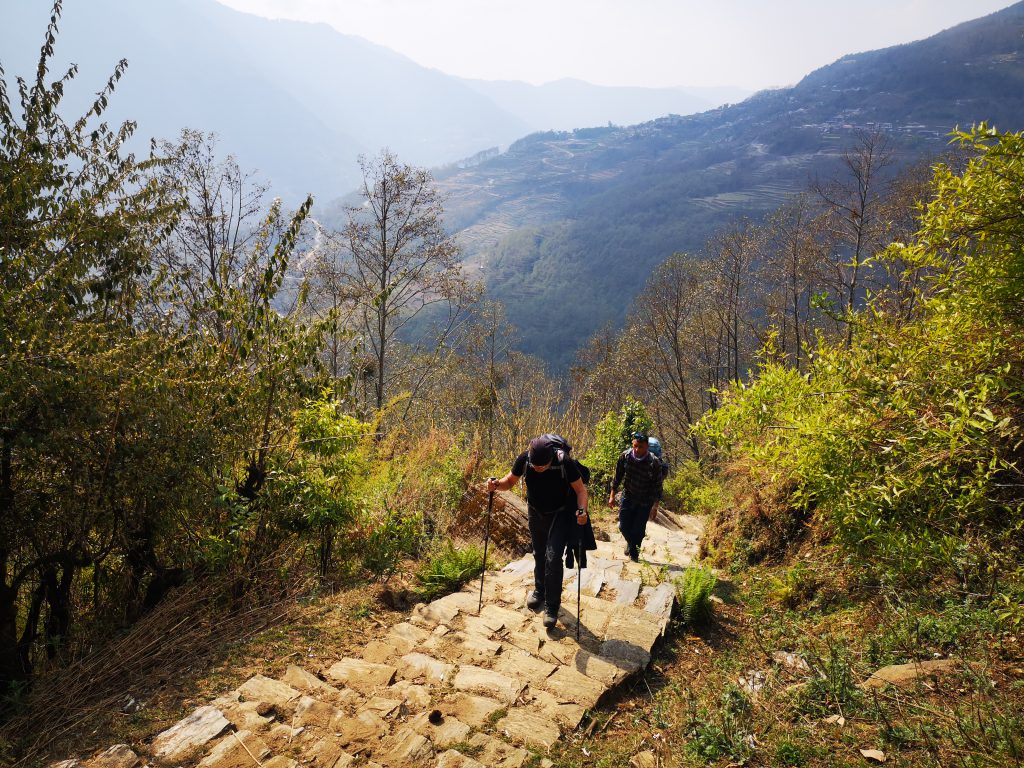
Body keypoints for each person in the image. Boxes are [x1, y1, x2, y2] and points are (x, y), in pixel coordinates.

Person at [487, 436, 588, 629]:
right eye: (535, 465)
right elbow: (509, 482)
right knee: (539, 554)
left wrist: (582, 511)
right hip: (535, 512)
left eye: (542, 466)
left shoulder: (563, 462)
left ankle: (552, 606)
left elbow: (581, 491)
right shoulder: (525, 459)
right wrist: (496, 485)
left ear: (551, 459)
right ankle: (539, 590)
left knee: (553, 557)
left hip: (559, 514)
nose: (537, 468)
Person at [608, 432, 664, 562]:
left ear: (647, 447)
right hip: (628, 496)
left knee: (638, 530)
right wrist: (612, 496)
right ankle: (631, 544)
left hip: (645, 501)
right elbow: (617, 477)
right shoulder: (625, 456)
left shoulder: (654, 462)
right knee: (623, 526)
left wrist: (655, 506)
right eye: (635, 446)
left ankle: (634, 555)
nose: (637, 449)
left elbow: (658, 486)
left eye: (641, 447)